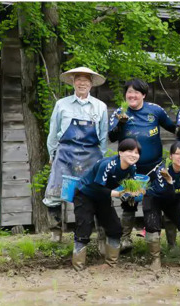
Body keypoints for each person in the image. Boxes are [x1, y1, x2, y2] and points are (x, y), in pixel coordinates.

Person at [109, 78, 177, 251]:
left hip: (155, 166)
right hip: (131, 168)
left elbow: (175, 128)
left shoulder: (155, 110)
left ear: (143, 95)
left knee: (164, 199)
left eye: (136, 92)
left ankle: (171, 243)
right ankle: (125, 240)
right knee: (129, 201)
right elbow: (111, 137)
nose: (132, 95)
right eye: (129, 92)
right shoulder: (119, 112)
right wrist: (120, 124)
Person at [45, 67, 108, 243]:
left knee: (96, 194)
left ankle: (101, 234)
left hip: (91, 155)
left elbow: (103, 137)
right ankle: (55, 232)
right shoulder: (61, 105)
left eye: (86, 80)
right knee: (54, 192)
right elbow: (53, 132)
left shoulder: (100, 107)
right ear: (73, 82)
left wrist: (100, 160)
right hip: (65, 153)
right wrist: (52, 154)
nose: (82, 83)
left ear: (91, 84)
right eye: (78, 79)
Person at [71, 138, 141, 270]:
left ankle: (110, 264)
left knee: (115, 228)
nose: (134, 155)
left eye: (137, 153)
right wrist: (119, 194)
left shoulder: (132, 168)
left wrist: (133, 193)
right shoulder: (107, 165)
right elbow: (98, 187)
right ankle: (78, 267)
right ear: (120, 152)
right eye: (130, 151)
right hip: (85, 194)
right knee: (84, 228)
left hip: (103, 197)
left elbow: (129, 186)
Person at [143, 142, 180, 270]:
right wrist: (169, 181)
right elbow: (165, 193)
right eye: (177, 154)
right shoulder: (162, 169)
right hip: (155, 198)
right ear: (171, 156)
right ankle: (155, 259)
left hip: (174, 200)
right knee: (152, 226)